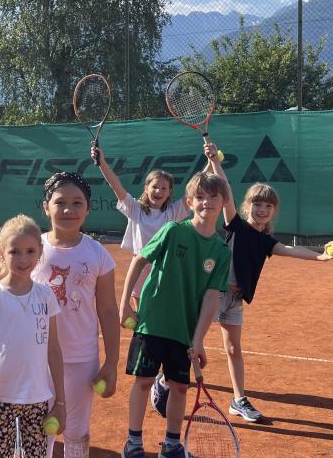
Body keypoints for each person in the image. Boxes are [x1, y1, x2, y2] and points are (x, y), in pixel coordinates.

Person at [151, 141, 333, 423]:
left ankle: (239, 400)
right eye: (257, 204)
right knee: (189, 343)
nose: (262, 210)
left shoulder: (265, 241)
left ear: (274, 211)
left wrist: (320, 257)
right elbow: (224, 190)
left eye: (268, 206)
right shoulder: (235, 224)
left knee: (234, 349)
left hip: (235, 301)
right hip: (213, 294)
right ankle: (164, 380)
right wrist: (215, 161)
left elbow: (288, 250)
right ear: (245, 206)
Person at [119, 168, 231, 458]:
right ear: (190, 202)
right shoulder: (173, 230)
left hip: (184, 328)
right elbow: (139, 260)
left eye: (213, 197)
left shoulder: (220, 250)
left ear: (223, 201)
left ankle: (171, 445)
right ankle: (133, 443)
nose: (207, 202)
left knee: (180, 388)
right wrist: (124, 304)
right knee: (143, 381)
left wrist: (199, 339)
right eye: (200, 197)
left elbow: (211, 297)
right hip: (152, 321)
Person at [31, 172, 120, 458]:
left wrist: (112, 362)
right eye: (60, 202)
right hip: (36, 358)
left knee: (76, 431)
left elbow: (107, 311)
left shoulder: (97, 254)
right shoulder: (31, 250)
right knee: (39, 428)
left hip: (82, 359)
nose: (68, 209)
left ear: (88, 208)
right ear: (46, 207)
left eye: (77, 202)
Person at [0, 214, 66, 458]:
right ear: (1, 252)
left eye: (30, 251)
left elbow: (54, 351)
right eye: (15, 251)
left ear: (39, 253)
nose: (23, 259)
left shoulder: (46, 297)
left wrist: (61, 402)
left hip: (38, 399)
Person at [91, 146, 190, 310]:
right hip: (140, 266)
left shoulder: (174, 212)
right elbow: (115, 184)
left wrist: (211, 161)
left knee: (164, 309)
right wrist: (102, 162)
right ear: (146, 188)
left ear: (169, 192)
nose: (158, 191)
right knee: (141, 311)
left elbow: (194, 191)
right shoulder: (135, 208)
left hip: (165, 267)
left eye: (164, 188)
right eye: (155, 187)